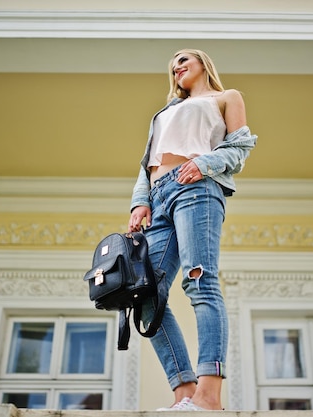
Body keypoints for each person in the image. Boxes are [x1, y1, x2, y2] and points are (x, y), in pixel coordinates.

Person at [127, 48, 257, 411]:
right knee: (145, 292)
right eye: (172, 65)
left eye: (183, 60)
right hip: (159, 194)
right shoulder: (165, 111)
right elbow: (146, 162)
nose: (177, 67)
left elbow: (240, 147)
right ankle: (183, 390)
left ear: (202, 63)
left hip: (196, 187)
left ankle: (209, 393)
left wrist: (204, 163)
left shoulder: (225, 98)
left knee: (200, 281)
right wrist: (140, 201)